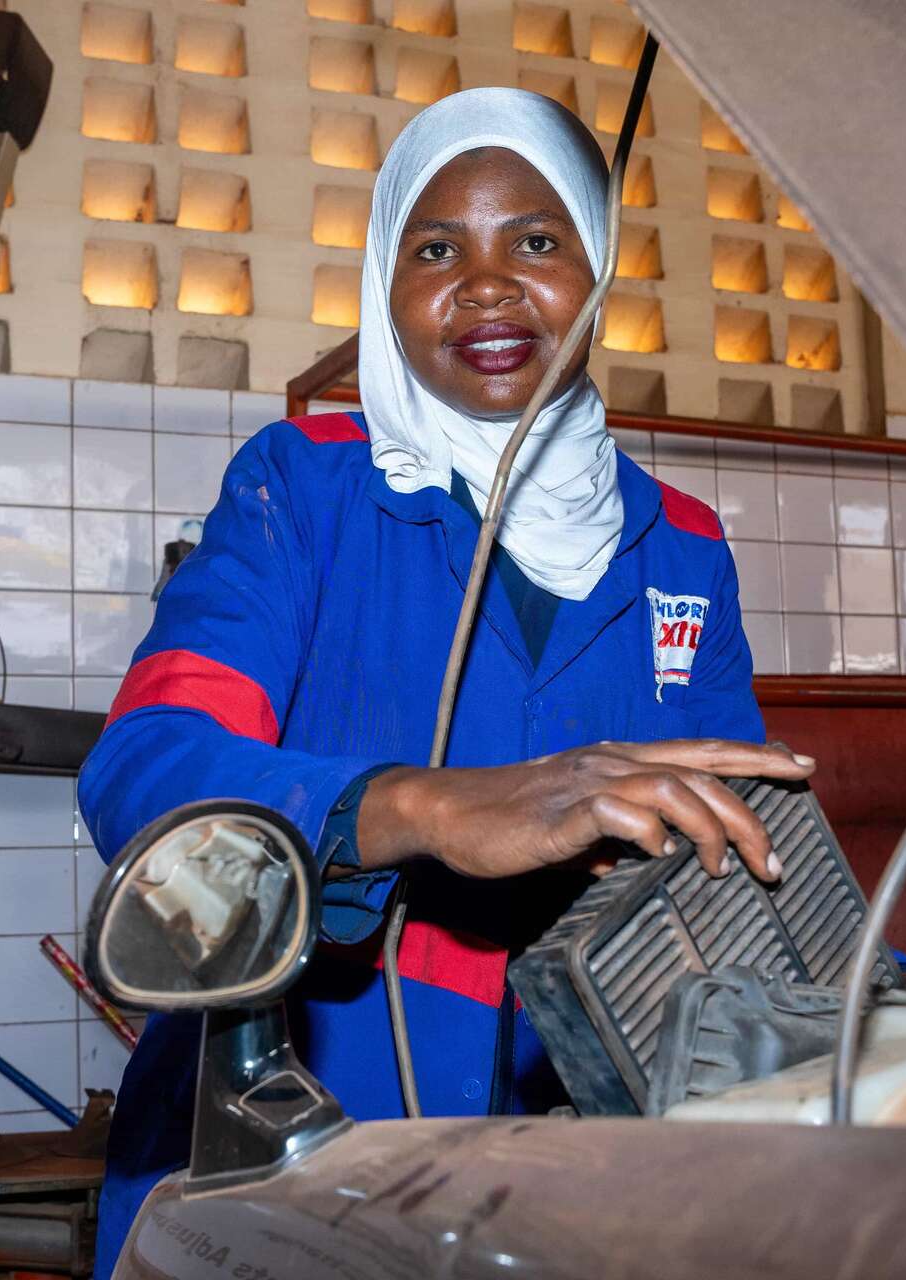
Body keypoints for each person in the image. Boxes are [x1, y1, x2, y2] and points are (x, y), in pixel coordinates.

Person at [79, 88, 816, 1277]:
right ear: (385, 280)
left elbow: (731, 846)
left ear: (597, 271)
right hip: (293, 1140)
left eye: (536, 240)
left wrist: (893, 994)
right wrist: (424, 805)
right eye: (434, 250)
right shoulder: (302, 484)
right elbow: (148, 768)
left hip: (577, 1161)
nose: (484, 285)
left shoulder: (681, 542)